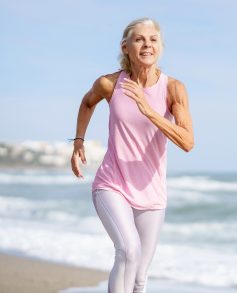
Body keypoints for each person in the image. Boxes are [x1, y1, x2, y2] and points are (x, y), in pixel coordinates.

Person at [70, 17, 194, 293]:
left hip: (152, 192)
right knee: (128, 250)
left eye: (153, 39)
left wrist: (149, 110)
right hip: (112, 183)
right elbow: (87, 102)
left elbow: (187, 142)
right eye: (139, 39)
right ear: (125, 47)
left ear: (160, 46)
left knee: (139, 277)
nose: (147, 44)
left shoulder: (173, 88)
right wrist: (79, 140)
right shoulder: (109, 84)